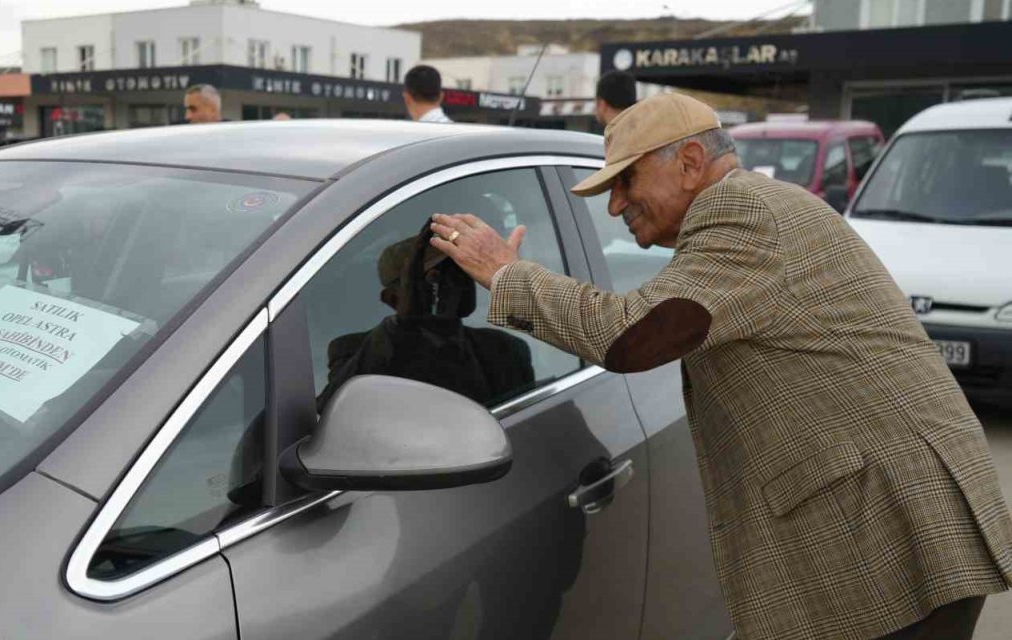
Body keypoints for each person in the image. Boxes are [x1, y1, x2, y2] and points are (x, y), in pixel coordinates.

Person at [428, 93, 1012, 640]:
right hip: (897, 525)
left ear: (689, 162)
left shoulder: (739, 210)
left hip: (886, 538)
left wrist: (505, 274)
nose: (615, 205)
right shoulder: (766, 204)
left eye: (626, 181)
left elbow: (631, 335)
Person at [316, 220, 533, 412]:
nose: (455, 282)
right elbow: (331, 409)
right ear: (393, 298)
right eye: (435, 277)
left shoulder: (506, 349)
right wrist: (405, 324)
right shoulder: (355, 350)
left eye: (459, 270)